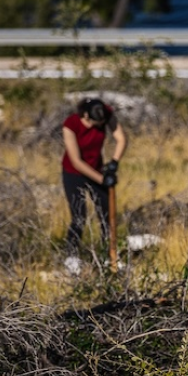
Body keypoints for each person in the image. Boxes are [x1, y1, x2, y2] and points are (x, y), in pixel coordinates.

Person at [61, 97, 127, 263]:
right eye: (93, 123)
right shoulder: (71, 124)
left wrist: (114, 163)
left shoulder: (106, 114)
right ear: (85, 116)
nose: (97, 127)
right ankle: (72, 256)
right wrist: (102, 179)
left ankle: (109, 254)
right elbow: (76, 161)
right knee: (79, 216)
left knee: (106, 214)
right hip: (73, 172)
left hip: (97, 169)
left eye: (101, 123)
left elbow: (121, 138)